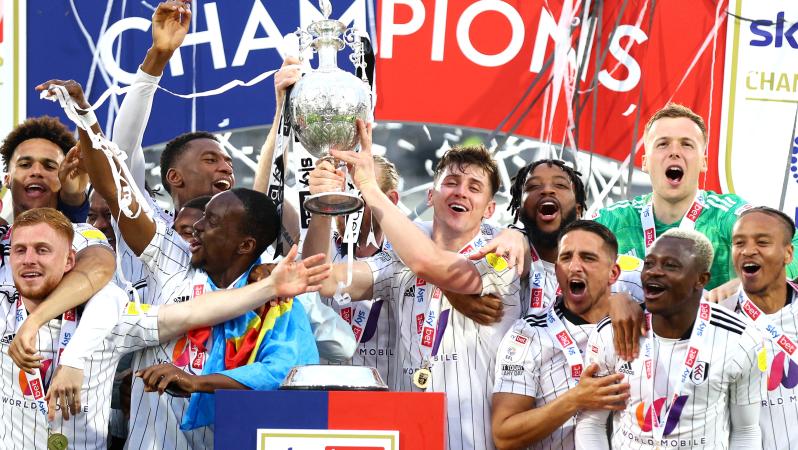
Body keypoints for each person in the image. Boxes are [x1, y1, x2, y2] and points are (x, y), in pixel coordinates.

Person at [1, 207, 326, 450]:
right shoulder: (4, 311)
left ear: (70, 261)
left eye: (42, 250)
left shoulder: (111, 319)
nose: (29, 259)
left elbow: (192, 312)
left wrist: (270, 288)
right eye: (20, 250)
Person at [314, 120, 521, 450]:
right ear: (430, 195)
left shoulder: (502, 252)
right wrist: (322, 205)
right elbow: (325, 280)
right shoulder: (400, 257)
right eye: (451, 182)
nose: (461, 191)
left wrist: (368, 186)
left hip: (473, 441)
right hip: (407, 437)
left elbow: (431, 265)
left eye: (474, 187)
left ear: (489, 209)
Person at [575, 229, 764, 449]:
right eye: (649, 263)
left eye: (670, 265)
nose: (653, 272)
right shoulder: (611, 332)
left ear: (701, 279)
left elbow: (746, 431)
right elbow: (591, 424)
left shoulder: (740, 339)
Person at [590, 103, 798, 294]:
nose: (674, 152)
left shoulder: (725, 216)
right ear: (645, 162)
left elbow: (792, 244)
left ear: (703, 162)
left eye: (687, 144)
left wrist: (745, 283)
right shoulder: (613, 220)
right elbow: (573, 258)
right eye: (663, 144)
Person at [491, 220, 630, 450]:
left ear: (613, 273)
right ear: (556, 270)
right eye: (566, 258)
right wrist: (576, 399)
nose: (574, 266)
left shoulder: (638, 326)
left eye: (588, 258)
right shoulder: (527, 334)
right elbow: (504, 434)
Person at [302, 154, 401, 381]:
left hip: (387, 396)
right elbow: (313, 271)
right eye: (341, 193)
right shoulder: (315, 243)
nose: (346, 204)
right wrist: (323, 199)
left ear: (391, 200)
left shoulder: (407, 255)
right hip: (325, 396)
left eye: (358, 193)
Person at [718, 206, 798, 450]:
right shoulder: (715, 322)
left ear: (788, 253)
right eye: (739, 243)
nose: (748, 250)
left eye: (762, 242)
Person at [0, 116, 90, 222]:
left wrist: (74, 197)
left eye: (49, 166)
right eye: (25, 164)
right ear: (7, 179)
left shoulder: (81, 232)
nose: (36, 172)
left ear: (64, 181)